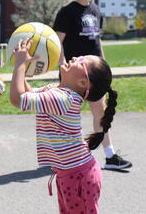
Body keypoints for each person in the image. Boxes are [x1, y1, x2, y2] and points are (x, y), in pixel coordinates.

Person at [10, 38, 118, 213]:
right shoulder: (57, 90)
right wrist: (22, 66)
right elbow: (28, 94)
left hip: (78, 177)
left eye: (81, 61)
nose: (75, 57)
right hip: (70, 173)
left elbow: (17, 100)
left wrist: (20, 65)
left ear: (83, 83)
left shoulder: (63, 99)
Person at [53, 0, 132, 170]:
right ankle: (63, 156)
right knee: (67, 115)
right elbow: (57, 42)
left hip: (94, 73)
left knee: (101, 113)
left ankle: (110, 156)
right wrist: (63, 67)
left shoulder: (96, 10)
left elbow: (97, 41)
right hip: (74, 73)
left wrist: (104, 66)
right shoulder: (67, 12)